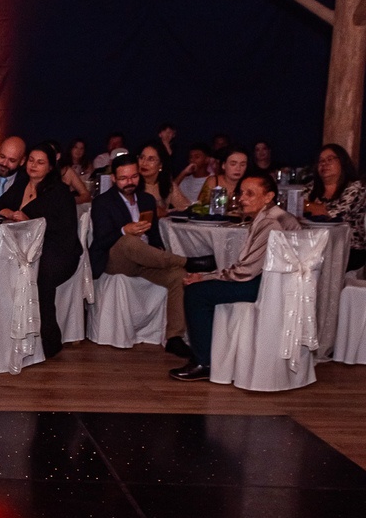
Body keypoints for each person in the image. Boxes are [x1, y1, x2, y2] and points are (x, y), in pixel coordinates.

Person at [171, 172, 300, 381]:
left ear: (268, 197)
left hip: (267, 285)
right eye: (241, 193)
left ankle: (204, 362)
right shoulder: (275, 216)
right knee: (202, 287)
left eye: (250, 194)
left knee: (197, 293)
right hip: (277, 282)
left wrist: (205, 277)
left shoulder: (271, 222)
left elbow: (246, 271)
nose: (242, 199)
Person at [90, 154, 192, 359]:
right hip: (115, 260)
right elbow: (100, 241)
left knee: (179, 276)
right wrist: (123, 230)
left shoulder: (146, 200)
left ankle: (174, 337)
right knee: (129, 241)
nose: (129, 182)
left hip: (145, 261)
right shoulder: (103, 202)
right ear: (113, 179)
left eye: (134, 177)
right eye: (123, 178)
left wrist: (158, 249)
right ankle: (189, 261)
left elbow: (154, 235)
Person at [0, 141, 83, 358]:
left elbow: (63, 229)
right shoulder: (22, 184)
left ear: (50, 167)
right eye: (31, 160)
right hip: (24, 249)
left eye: (40, 162)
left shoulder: (59, 192)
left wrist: (31, 221)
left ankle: (49, 340)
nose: (33, 165)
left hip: (59, 251)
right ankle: (5, 334)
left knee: (39, 275)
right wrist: (10, 213)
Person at [306, 144, 365, 272]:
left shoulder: (355, 188)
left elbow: (333, 216)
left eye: (330, 159)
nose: (324, 164)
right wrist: (312, 207)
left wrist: (308, 206)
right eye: (321, 161)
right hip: (315, 245)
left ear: (342, 162)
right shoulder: (311, 187)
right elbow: (295, 210)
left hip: (349, 248)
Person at [137, 144, 190, 212]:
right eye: (141, 157)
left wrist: (166, 212)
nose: (144, 163)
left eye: (151, 159)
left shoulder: (167, 185)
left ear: (160, 165)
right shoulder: (133, 184)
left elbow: (186, 208)